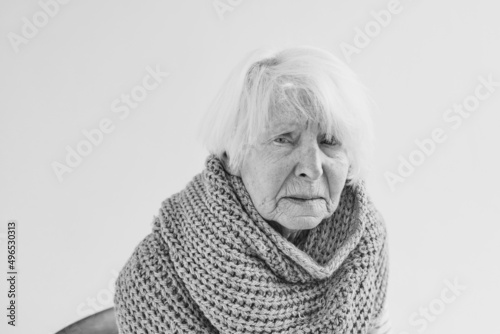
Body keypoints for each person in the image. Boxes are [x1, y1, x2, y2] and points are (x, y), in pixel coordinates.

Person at [57, 45, 391, 334]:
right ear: (233, 154)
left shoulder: (364, 241)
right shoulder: (156, 280)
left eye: (330, 141)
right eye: (282, 139)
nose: (312, 166)